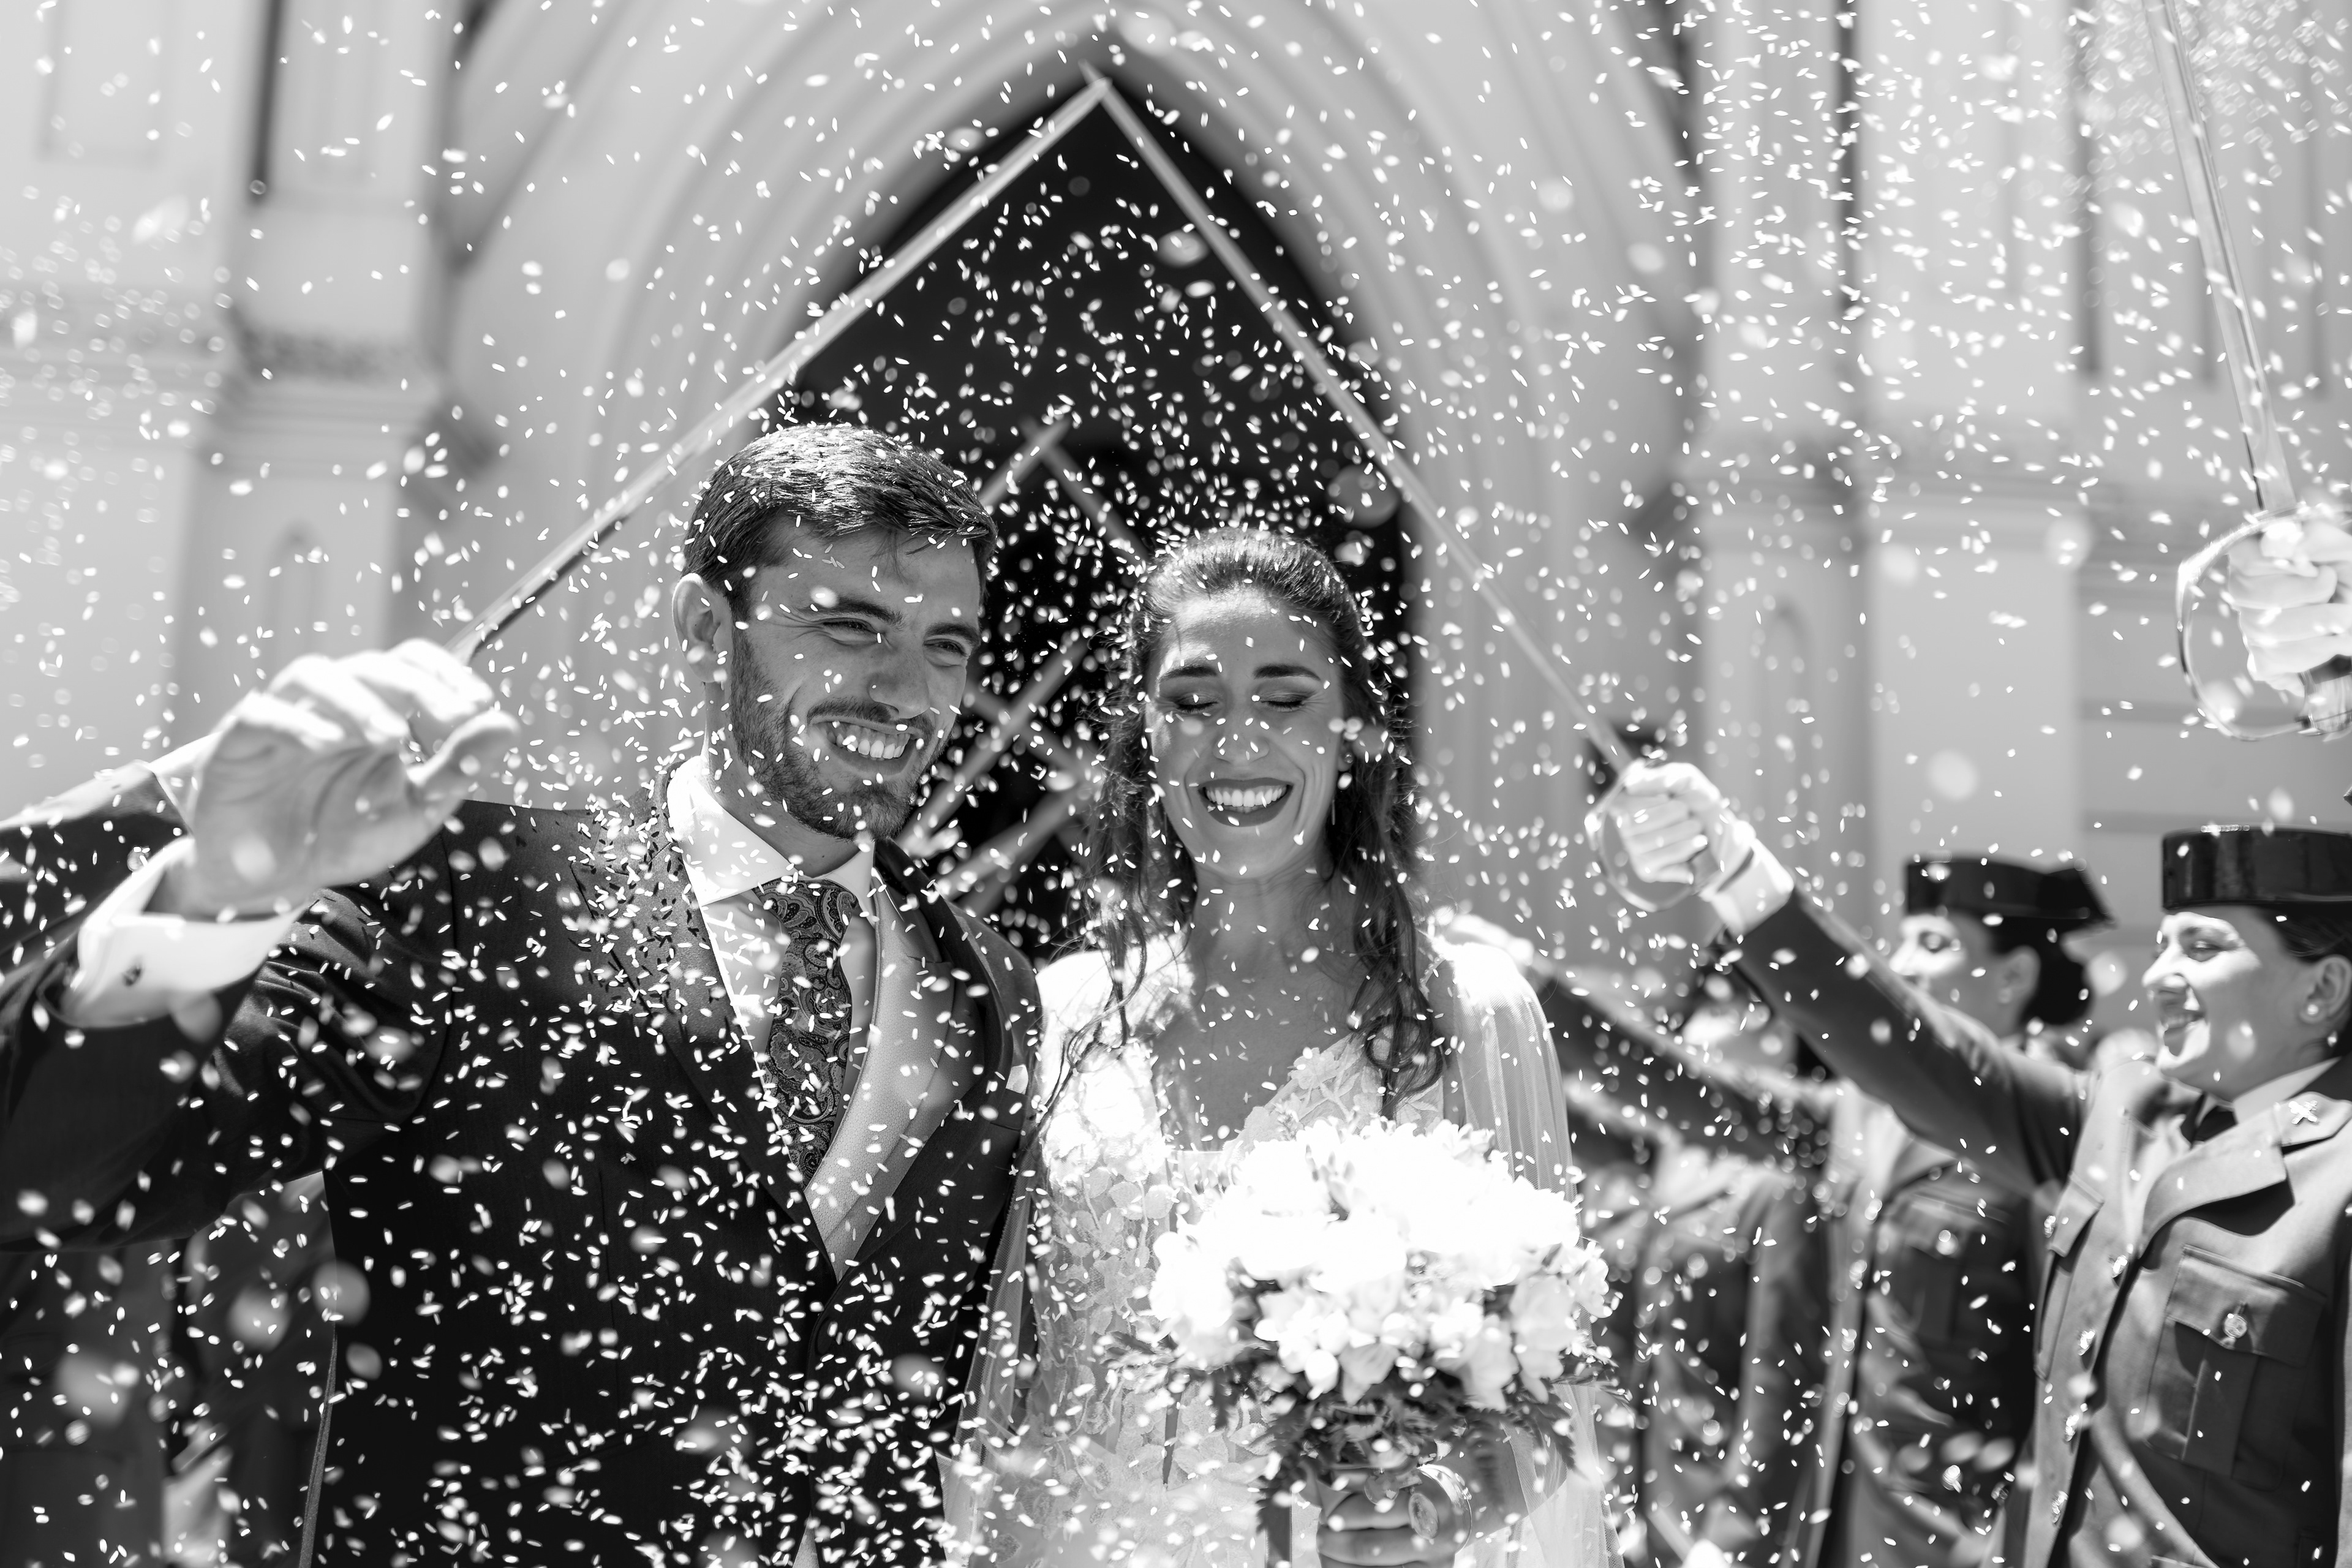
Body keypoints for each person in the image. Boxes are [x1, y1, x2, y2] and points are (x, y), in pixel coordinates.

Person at [0, 424, 1042, 1563]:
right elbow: (63, 1174)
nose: (907, 690)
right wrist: (217, 888)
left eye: (948, 646)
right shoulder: (469, 900)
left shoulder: (991, 986)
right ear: (707, 629)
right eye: (849, 626)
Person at [951, 530, 1611, 1567]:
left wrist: (1434, 1507)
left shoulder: (1466, 1015)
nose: (1238, 739)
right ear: (1146, 736)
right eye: (1193, 700)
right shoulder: (1063, 1015)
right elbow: (1000, 1380)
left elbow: (1544, 1400)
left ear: (1351, 733)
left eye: (1286, 696)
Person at [1610, 764, 2352, 1568]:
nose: (2158, 976)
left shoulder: (2337, 1179)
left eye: (2203, 948)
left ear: (2323, 988)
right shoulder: (2124, 1113)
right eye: (2163, 944)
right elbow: (1917, 1050)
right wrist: (1735, 870)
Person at [1439, 913, 1832, 1568]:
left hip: (1711, 1525)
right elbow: (1555, 1117)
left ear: (1786, 1035)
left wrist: (1733, 1537)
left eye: (1727, 1009)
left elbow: (1782, 1379)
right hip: (1634, 1508)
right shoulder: (1673, 1156)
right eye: (1699, 1005)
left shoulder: (1787, 1182)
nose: (1697, 1026)